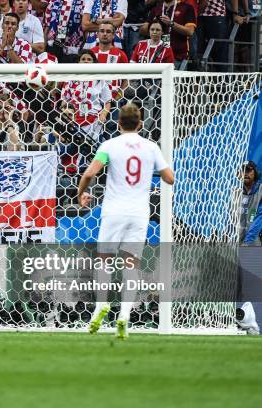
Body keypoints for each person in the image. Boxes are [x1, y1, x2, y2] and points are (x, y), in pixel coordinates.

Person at [77, 103, 174, 339]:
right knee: (131, 266)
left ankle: (101, 307)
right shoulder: (151, 147)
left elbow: (90, 173)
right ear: (140, 124)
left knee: (104, 262)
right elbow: (169, 178)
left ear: (118, 123)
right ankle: (125, 317)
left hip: (113, 212)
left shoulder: (109, 145)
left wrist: (81, 194)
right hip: (139, 214)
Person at [240, 161, 261, 246]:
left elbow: (260, 217)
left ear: (255, 173)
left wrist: (248, 241)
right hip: (236, 240)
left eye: (248, 170)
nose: (245, 173)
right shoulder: (235, 191)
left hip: (253, 241)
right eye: (243, 170)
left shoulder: (260, 190)